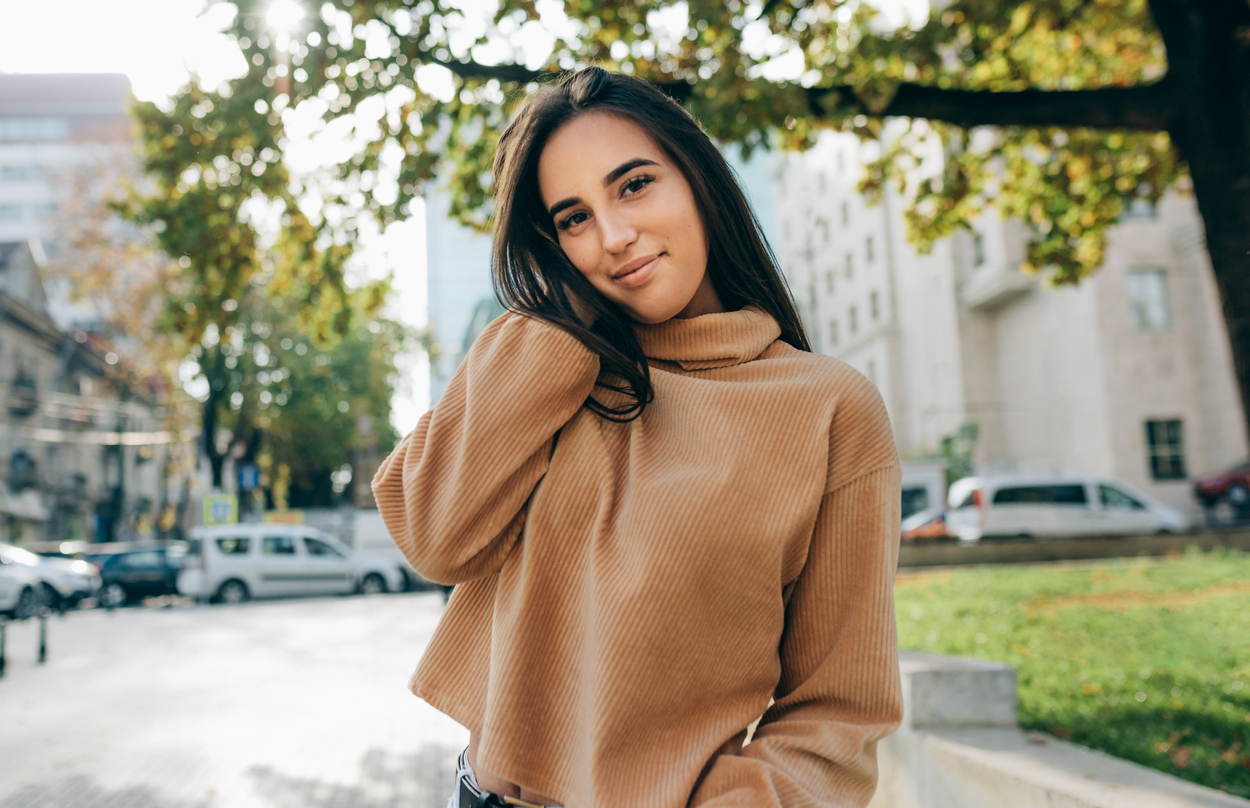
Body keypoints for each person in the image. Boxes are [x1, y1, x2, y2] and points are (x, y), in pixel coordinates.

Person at [373, 66, 902, 808]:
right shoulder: (551, 373)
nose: (615, 237)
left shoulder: (827, 409)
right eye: (573, 218)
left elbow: (842, 709)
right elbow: (434, 535)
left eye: (633, 185)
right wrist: (554, 330)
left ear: (697, 179)